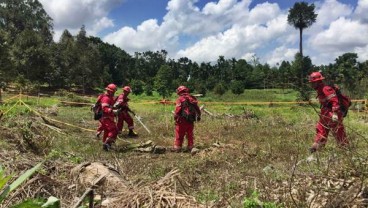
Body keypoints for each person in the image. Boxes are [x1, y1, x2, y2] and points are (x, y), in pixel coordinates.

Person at [308, 71, 348, 153]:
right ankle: (316, 147)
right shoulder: (319, 90)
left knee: (338, 131)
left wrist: (335, 113)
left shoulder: (326, 89)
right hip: (325, 113)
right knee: (321, 129)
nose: (311, 85)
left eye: (313, 83)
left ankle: (345, 149)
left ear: (318, 82)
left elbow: (334, 101)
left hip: (332, 113)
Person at [172, 85, 201, 152]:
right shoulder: (192, 98)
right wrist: (198, 116)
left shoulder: (180, 99)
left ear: (179, 91)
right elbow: (197, 109)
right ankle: (190, 147)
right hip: (191, 120)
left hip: (182, 120)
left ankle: (177, 148)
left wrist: (175, 116)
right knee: (190, 134)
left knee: (179, 133)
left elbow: (178, 109)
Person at [99, 83, 119, 151]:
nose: (114, 93)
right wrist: (113, 111)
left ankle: (106, 147)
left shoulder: (109, 97)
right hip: (106, 118)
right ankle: (106, 143)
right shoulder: (106, 98)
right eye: (113, 91)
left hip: (107, 117)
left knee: (107, 132)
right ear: (110, 91)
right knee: (114, 130)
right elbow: (104, 108)